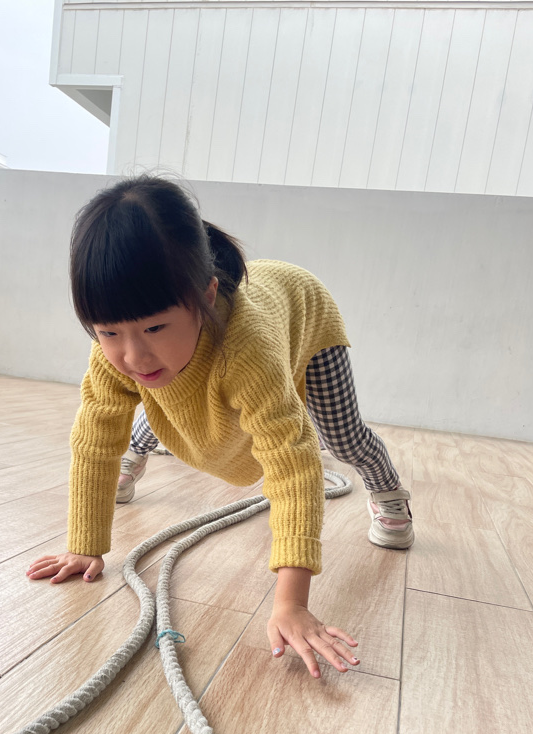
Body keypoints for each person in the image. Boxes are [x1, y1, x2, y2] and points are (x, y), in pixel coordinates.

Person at [26, 173, 414, 680]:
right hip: (195, 387)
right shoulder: (115, 358)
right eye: (107, 332)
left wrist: (291, 602)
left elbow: (293, 465)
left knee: (341, 435)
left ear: (207, 296)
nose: (133, 354)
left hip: (306, 320)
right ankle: (135, 459)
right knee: (165, 407)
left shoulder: (246, 350)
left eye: (155, 327)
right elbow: (95, 441)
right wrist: (84, 544)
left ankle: (389, 492)